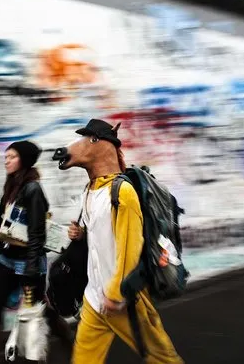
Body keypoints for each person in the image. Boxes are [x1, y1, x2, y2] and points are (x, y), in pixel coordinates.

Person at [58, 119, 183, 364]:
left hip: (123, 299)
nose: (81, 145)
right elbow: (100, 234)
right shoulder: (90, 190)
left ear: (103, 144)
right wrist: (81, 234)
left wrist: (116, 294)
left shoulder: (123, 193)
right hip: (94, 297)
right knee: (83, 358)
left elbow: (130, 246)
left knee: (161, 357)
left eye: (89, 139)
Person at [0, 140, 48, 363]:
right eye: (5, 157)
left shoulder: (33, 189)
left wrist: (32, 264)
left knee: (36, 310)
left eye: (12, 157)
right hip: (6, 260)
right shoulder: (11, 187)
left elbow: (37, 232)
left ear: (24, 160)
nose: (6, 161)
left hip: (27, 261)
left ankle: (67, 345)